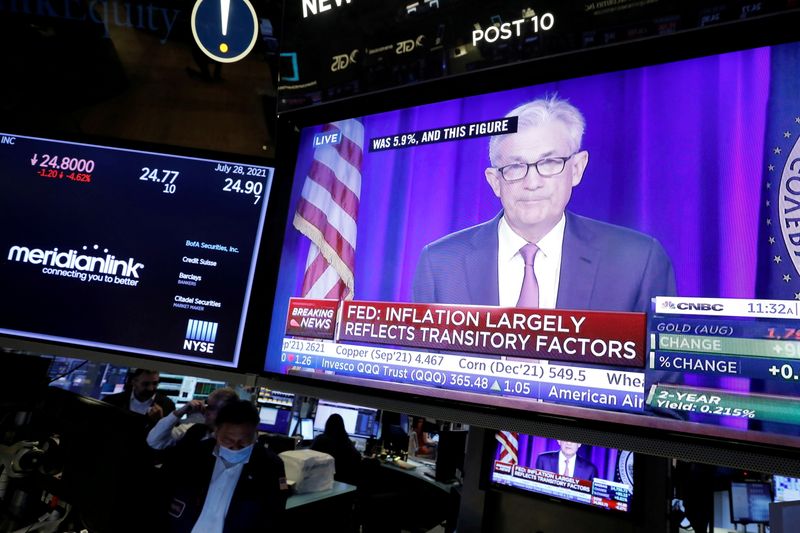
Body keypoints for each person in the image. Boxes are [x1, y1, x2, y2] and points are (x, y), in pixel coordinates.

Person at [413, 95, 676, 312]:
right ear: (495, 181)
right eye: (515, 166)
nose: (532, 182)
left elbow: (661, 373)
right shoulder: (440, 263)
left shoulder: (639, 260)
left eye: (549, 163)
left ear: (576, 168)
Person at [161, 399, 288, 533]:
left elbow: (274, 515)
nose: (235, 447)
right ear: (216, 432)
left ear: (256, 435)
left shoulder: (270, 465)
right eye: (227, 440)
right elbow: (164, 493)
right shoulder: (193, 455)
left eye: (244, 442)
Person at [147, 387, 238, 450]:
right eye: (207, 405)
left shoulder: (231, 443)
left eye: (211, 407)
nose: (205, 410)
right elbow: (154, 441)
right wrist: (179, 412)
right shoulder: (195, 429)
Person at [103, 368, 175, 428]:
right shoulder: (111, 401)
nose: (150, 388)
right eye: (145, 384)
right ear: (134, 382)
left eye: (155, 383)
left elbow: (172, 438)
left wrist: (160, 421)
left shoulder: (167, 405)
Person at [310, 413, 362, 485]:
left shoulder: (320, 439)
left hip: (322, 481)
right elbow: (358, 457)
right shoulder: (347, 442)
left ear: (327, 425)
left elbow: (309, 457)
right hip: (343, 481)